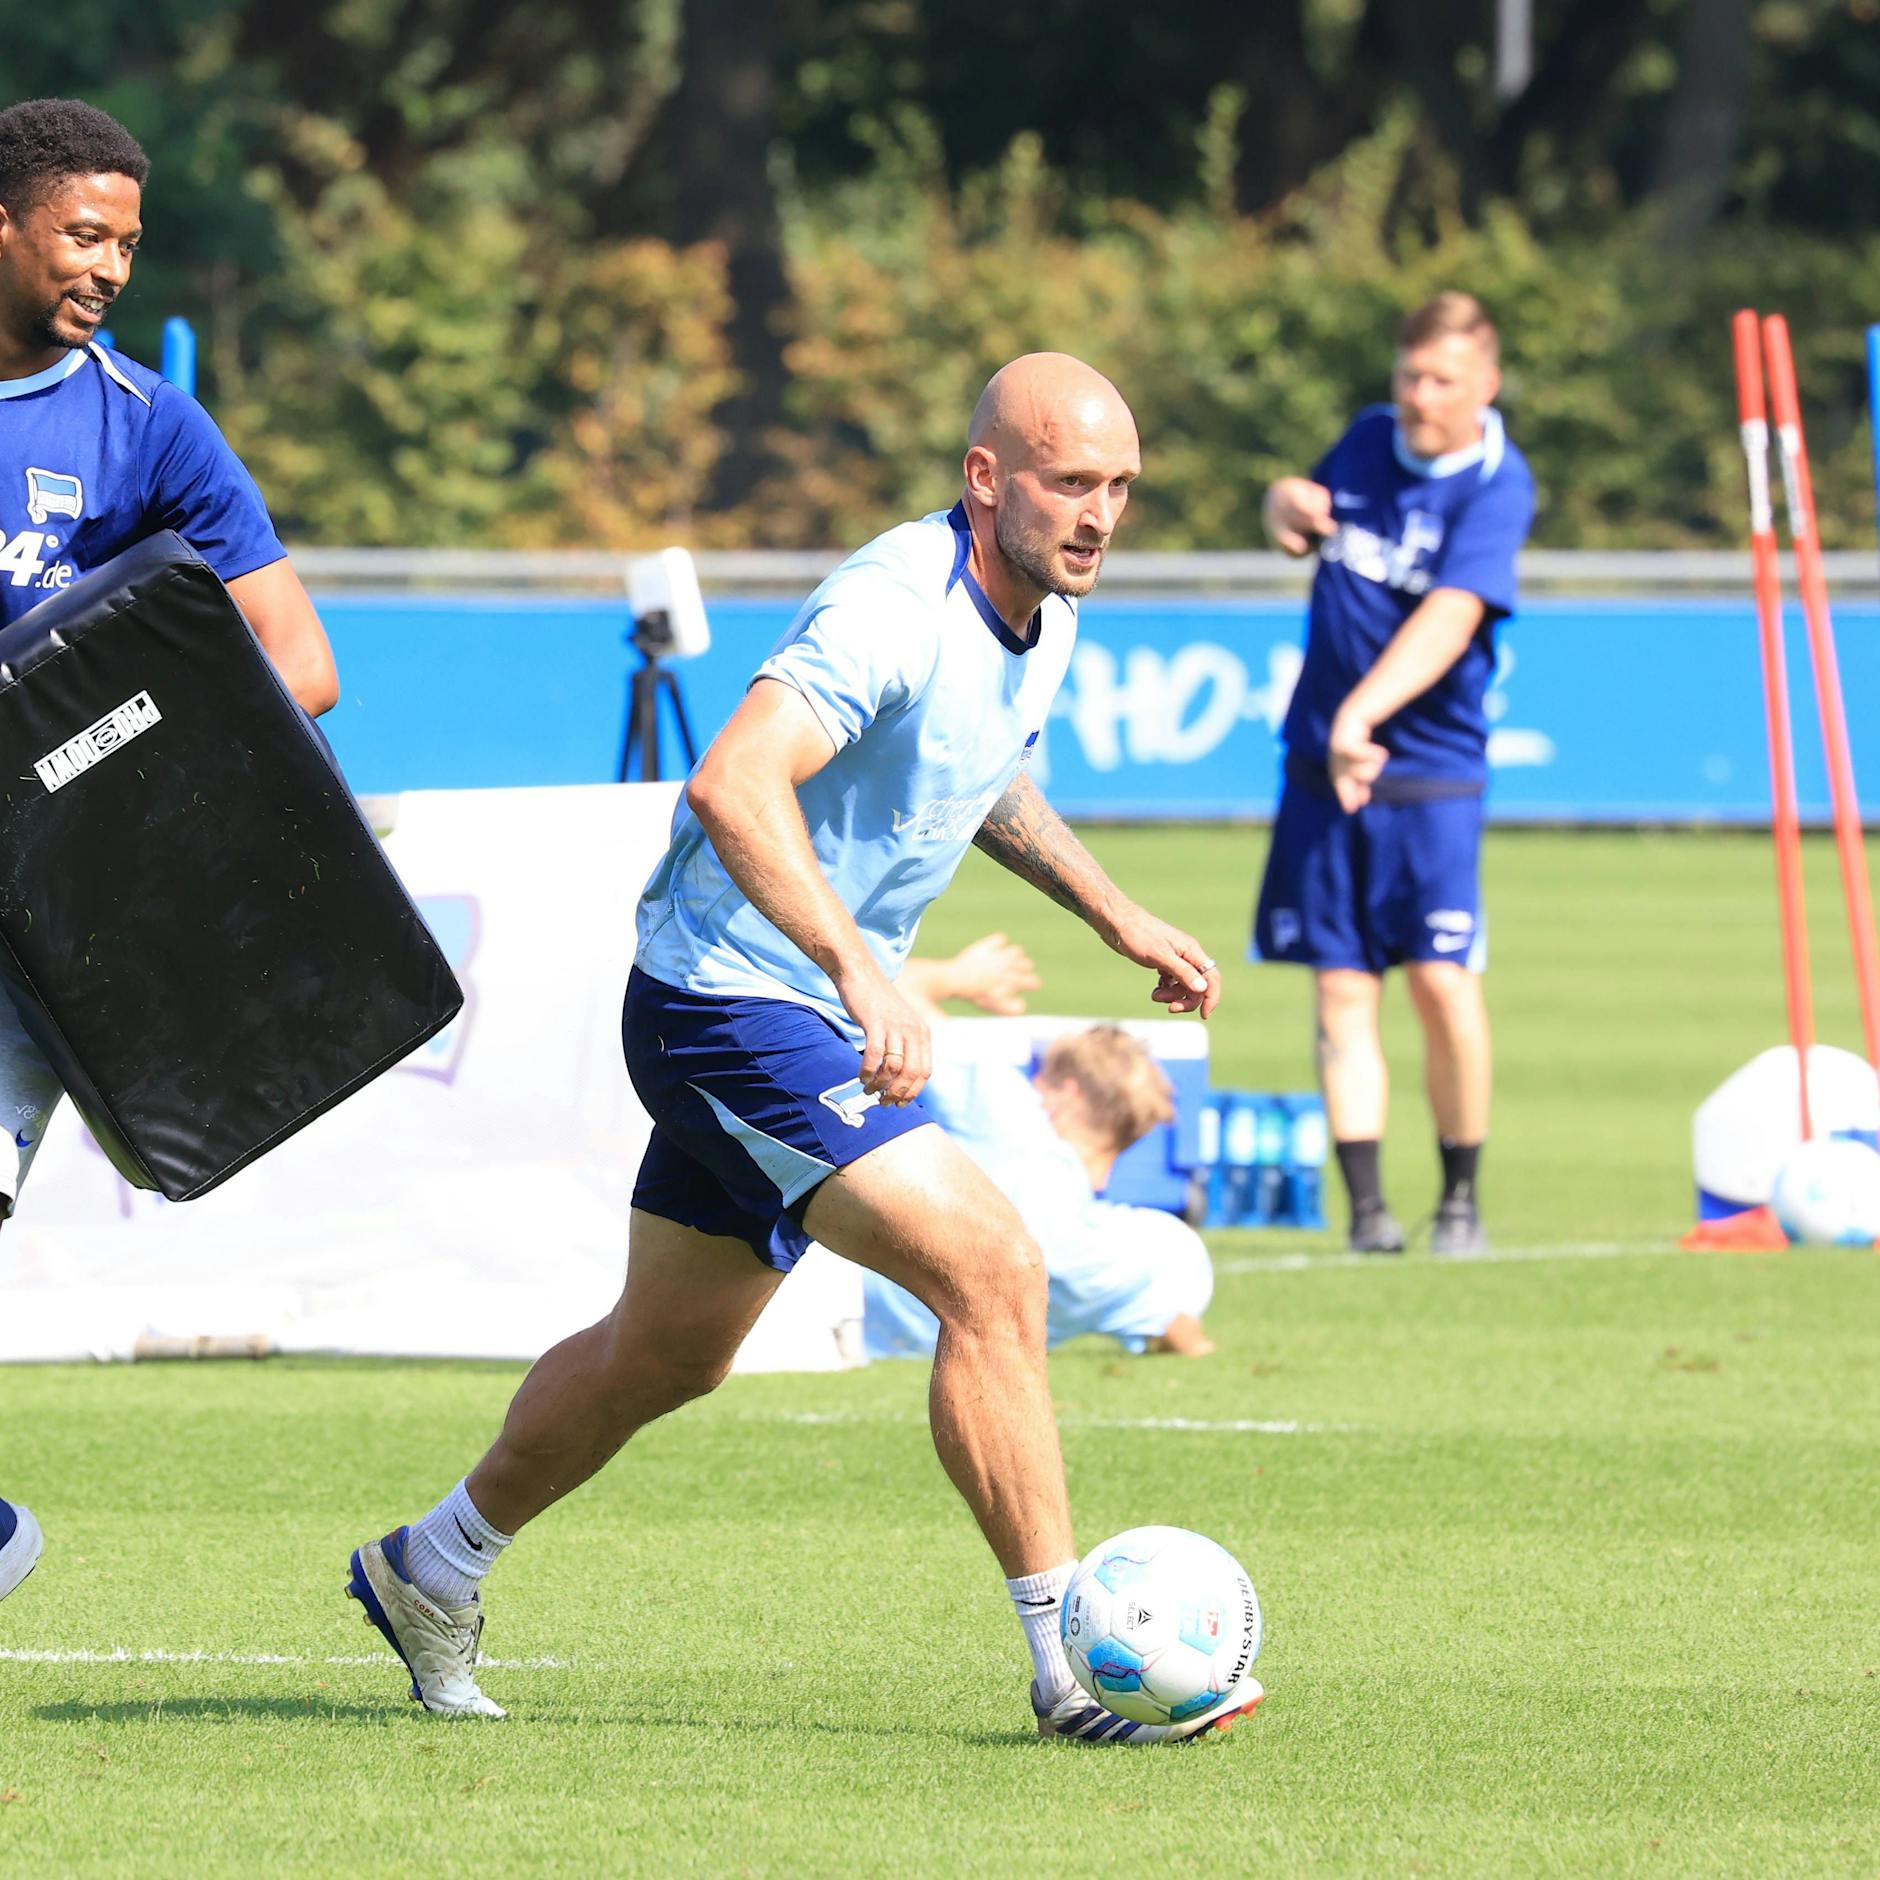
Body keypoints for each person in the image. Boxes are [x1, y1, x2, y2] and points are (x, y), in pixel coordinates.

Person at [348, 352, 1259, 1743]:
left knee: (667, 1354)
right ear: (986, 478)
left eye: (1121, 488)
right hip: (734, 1005)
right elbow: (733, 781)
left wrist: (1117, 912)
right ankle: (1069, 1663)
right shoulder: (894, 602)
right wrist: (858, 969)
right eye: (1072, 482)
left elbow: (978, 770)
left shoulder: (1043, 614)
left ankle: (434, 1563)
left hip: (788, 1009)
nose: (1099, 514)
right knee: (996, 1269)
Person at [0, 96, 340, 1604]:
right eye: (84, 232)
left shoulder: (143, 422)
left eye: (128, 243)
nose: (110, 268)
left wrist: (94, 726)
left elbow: (296, 660)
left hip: (34, 913)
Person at [1253, 292, 1535, 1256]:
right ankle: (1368, 1213)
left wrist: (1361, 716)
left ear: (1485, 385)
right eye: (1409, 374)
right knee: (1340, 987)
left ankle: (1460, 1195)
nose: (1418, 395)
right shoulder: (1370, 438)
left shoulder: (1498, 481)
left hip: (1432, 769)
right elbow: (1300, 523)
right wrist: (1282, 501)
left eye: (1441, 380)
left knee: (1444, 983)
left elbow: (1450, 618)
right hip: (1323, 764)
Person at [862, 1014, 1217, 1360]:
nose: (1035, 1089)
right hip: (934, 1349)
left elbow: (903, 1008)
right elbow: (1177, 1328)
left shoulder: (1017, 1117)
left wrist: (954, 975)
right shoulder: (1132, 1248)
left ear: (1067, 1094)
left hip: (847, 1309)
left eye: (1043, 1080)